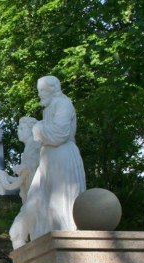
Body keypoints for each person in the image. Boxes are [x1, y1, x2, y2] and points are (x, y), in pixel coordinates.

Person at [30, 75, 86, 238]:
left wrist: (37, 128)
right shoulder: (50, 107)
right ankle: (48, 237)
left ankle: (67, 238)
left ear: (52, 89)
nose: (39, 94)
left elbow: (59, 134)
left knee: (62, 203)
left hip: (62, 157)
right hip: (50, 159)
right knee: (46, 202)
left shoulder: (63, 104)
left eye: (41, 90)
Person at [0, 117, 41, 204]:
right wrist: (7, 178)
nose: (18, 132)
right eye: (18, 129)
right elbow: (24, 179)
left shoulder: (35, 146)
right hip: (31, 199)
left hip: (36, 199)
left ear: (31, 130)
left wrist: (20, 169)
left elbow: (29, 175)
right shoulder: (28, 149)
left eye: (21, 129)